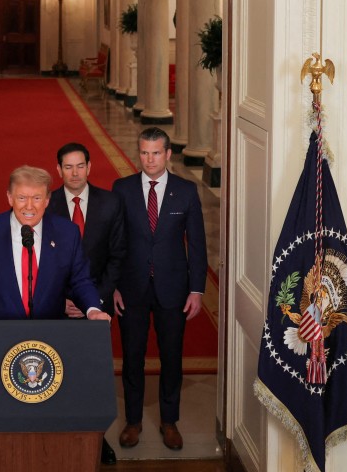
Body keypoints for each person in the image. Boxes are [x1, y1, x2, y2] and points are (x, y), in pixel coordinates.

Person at [112, 127, 208, 451]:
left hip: (173, 290)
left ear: (168, 154)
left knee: (171, 357)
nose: (149, 160)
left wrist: (197, 291)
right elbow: (115, 243)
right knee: (133, 358)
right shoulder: (122, 189)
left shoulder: (186, 191)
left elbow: (196, 245)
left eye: (155, 153)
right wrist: (112, 287)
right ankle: (133, 421)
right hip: (131, 289)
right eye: (143, 153)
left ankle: (170, 421)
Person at [0, 165, 112, 337]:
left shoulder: (67, 233)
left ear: (47, 200)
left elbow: (81, 280)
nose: (30, 206)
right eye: (22, 198)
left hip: (49, 336)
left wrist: (93, 310)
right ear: (10, 198)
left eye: (37, 198)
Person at [49, 142, 126, 465]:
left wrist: (93, 302)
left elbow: (117, 257)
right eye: (68, 167)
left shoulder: (110, 204)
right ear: (58, 170)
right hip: (57, 306)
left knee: (92, 373)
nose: (75, 173)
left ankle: (97, 437)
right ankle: (57, 433)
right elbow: (39, 261)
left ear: (90, 167)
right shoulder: (47, 204)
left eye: (80, 166)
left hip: (96, 307)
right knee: (57, 371)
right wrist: (62, 299)